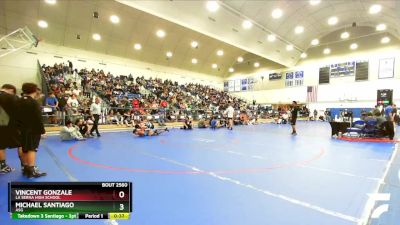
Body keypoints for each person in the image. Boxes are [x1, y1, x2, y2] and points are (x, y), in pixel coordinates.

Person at [17, 83, 47, 178]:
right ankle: (31, 170)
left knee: (24, 148)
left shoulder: (19, 100)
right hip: (32, 129)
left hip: (21, 129)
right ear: (34, 90)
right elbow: (38, 118)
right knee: (32, 149)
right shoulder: (34, 103)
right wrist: (42, 131)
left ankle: (26, 168)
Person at [0, 84, 23, 174]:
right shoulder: (11, 97)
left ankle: (2, 167)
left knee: (0, 145)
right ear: (10, 90)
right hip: (11, 125)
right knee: (21, 144)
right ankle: (24, 166)